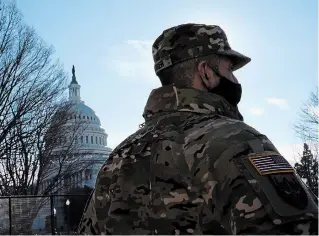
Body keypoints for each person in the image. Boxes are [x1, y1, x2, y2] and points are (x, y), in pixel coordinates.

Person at [78, 23, 318, 235]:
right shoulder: (234, 141)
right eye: (229, 70)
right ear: (205, 72)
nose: (234, 80)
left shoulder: (117, 160)